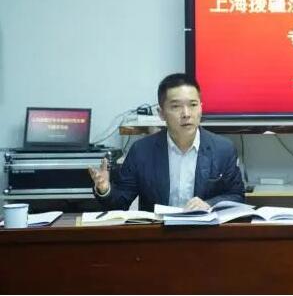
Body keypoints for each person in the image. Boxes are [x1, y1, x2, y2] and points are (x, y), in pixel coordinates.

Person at [89, 73, 245, 211]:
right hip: (158, 232)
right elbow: (120, 202)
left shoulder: (223, 149)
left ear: (201, 108)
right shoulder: (141, 151)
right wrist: (105, 189)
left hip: (204, 232)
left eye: (193, 105)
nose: (186, 114)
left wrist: (209, 204)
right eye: (176, 106)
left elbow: (236, 196)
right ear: (161, 113)